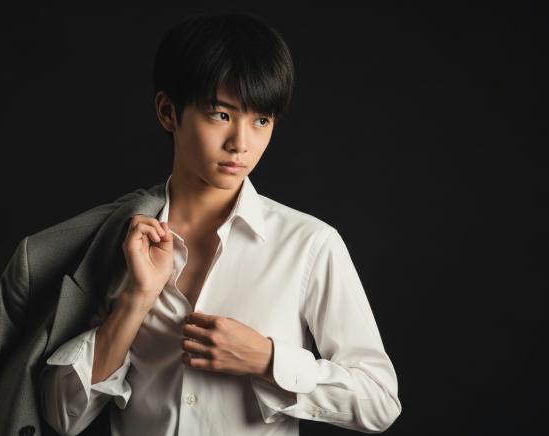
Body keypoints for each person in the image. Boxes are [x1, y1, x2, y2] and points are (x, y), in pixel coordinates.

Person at [39, 12, 402, 436]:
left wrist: (267, 360)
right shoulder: (116, 242)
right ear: (168, 112)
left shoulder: (309, 244)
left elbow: (380, 400)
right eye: (220, 114)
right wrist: (137, 299)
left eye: (261, 120)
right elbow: (63, 416)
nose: (240, 144)